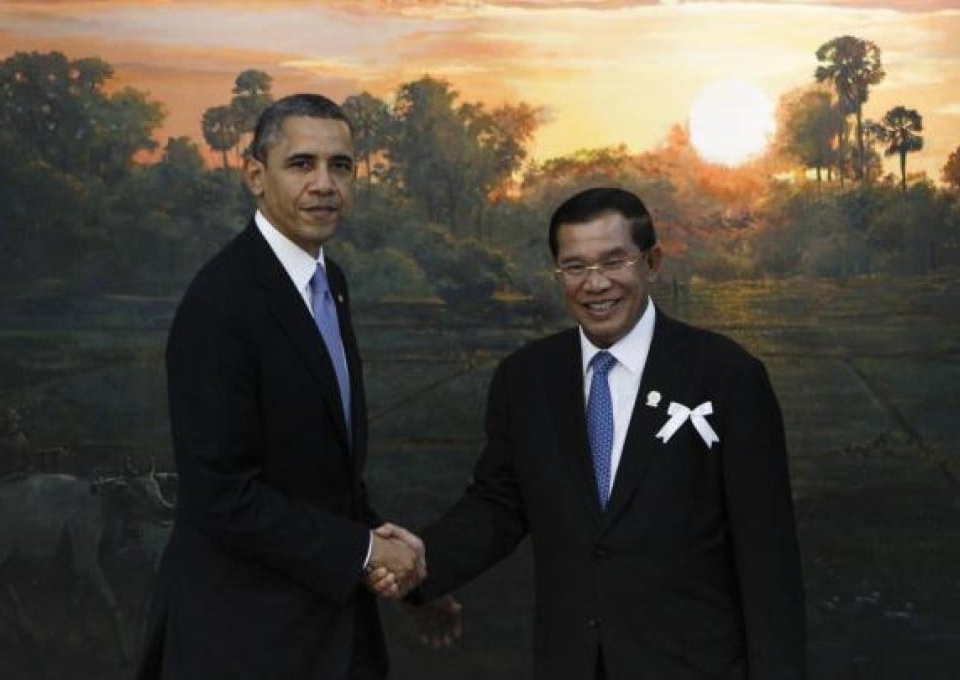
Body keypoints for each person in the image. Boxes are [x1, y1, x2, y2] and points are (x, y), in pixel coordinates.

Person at [377, 187, 806, 679]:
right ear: (558, 273)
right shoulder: (526, 379)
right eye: (575, 267)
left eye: (613, 261)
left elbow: (768, 559)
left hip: (695, 665)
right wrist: (417, 563)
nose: (595, 284)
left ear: (652, 262)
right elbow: (499, 506)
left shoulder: (727, 376)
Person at [137, 94, 425, 680]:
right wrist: (368, 553)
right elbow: (220, 496)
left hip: (325, 626)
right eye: (302, 164)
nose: (324, 184)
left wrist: (403, 571)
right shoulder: (222, 301)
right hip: (244, 639)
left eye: (340, 166)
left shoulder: (328, 281)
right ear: (255, 176)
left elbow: (322, 467)